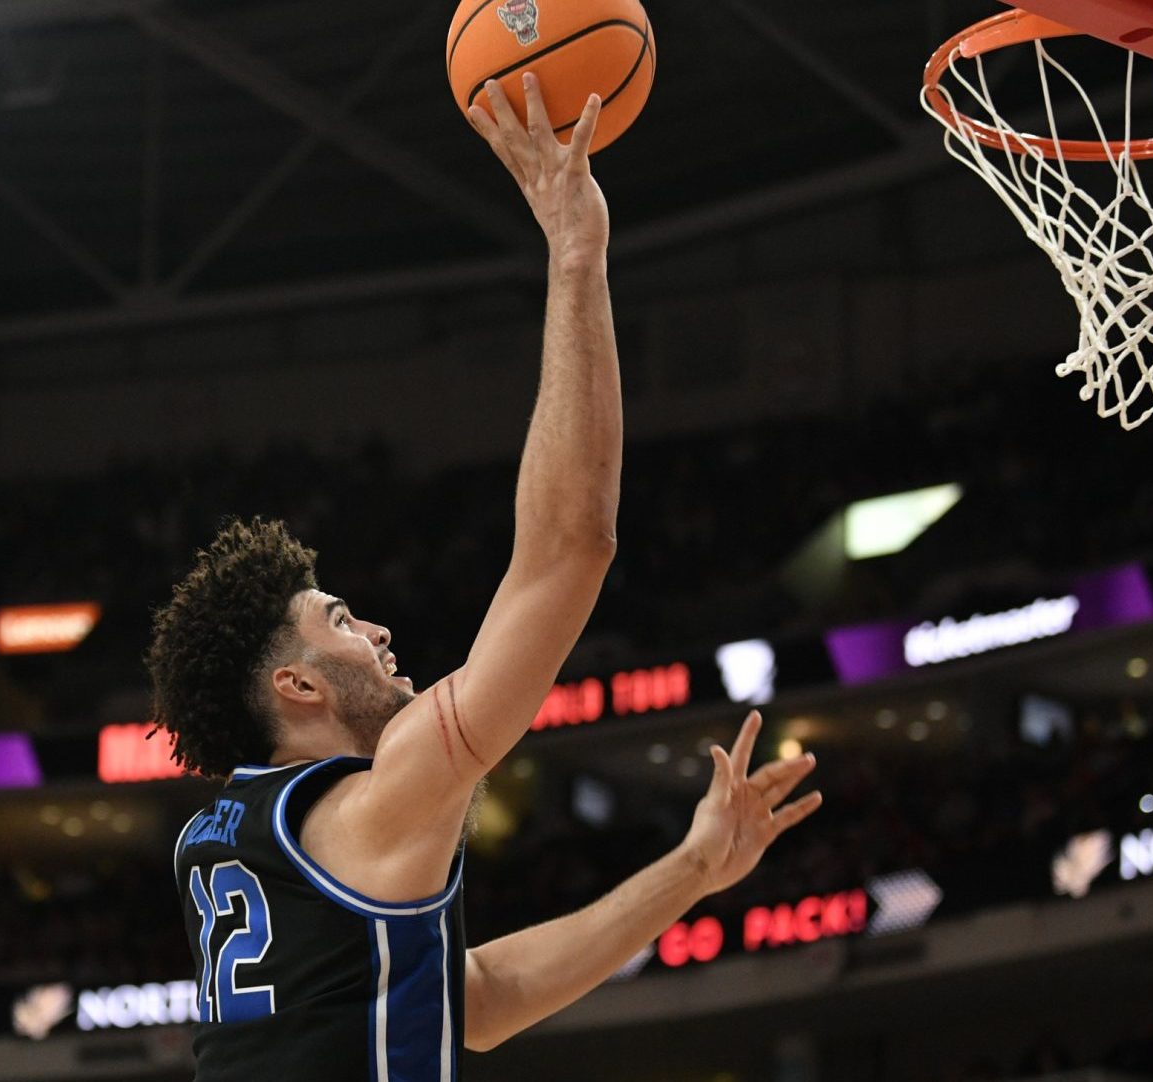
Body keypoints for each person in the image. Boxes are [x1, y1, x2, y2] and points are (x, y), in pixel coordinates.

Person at [147, 78, 822, 1080]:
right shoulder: (373, 802)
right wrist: (576, 251)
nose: (374, 628)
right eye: (336, 619)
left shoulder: (244, 834)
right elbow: (570, 548)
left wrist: (693, 868)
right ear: (296, 684)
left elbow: (475, 1001)